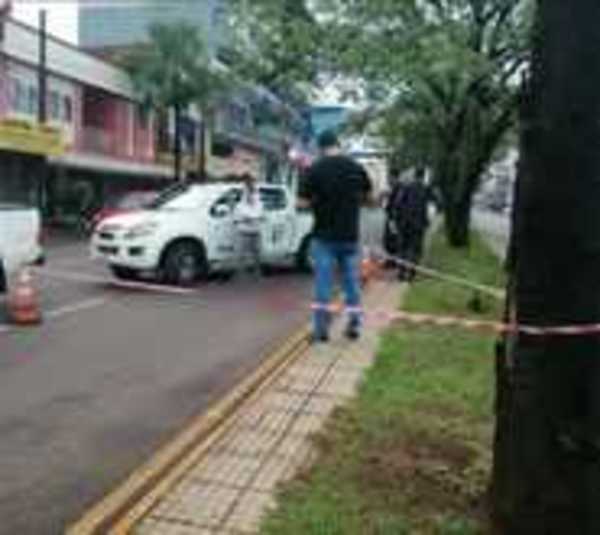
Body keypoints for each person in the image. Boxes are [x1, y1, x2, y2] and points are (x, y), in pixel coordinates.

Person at [299, 130, 373, 343]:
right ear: (338, 144)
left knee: (323, 285)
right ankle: (354, 325)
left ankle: (321, 330)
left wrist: (318, 202)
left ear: (321, 148)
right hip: (350, 236)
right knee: (352, 284)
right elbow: (370, 198)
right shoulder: (356, 168)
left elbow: (302, 203)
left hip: (324, 237)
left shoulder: (315, 169)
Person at [393, 169, 430, 281]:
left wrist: (398, 218)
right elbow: (432, 205)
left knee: (403, 248)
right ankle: (412, 275)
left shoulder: (406, 187)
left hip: (405, 224)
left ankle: (401, 273)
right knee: (416, 250)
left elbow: (397, 204)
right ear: (423, 177)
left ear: (415, 176)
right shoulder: (426, 189)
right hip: (418, 225)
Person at [234, 173, 264, 276]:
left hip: (255, 229)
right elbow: (239, 214)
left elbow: (260, 213)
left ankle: (257, 272)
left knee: (257, 253)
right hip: (244, 230)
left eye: (251, 181)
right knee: (241, 254)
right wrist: (247, 218)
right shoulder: (242, 197)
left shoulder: (257, 197)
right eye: (248, 181)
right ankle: (240, 273)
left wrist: (251, 218)